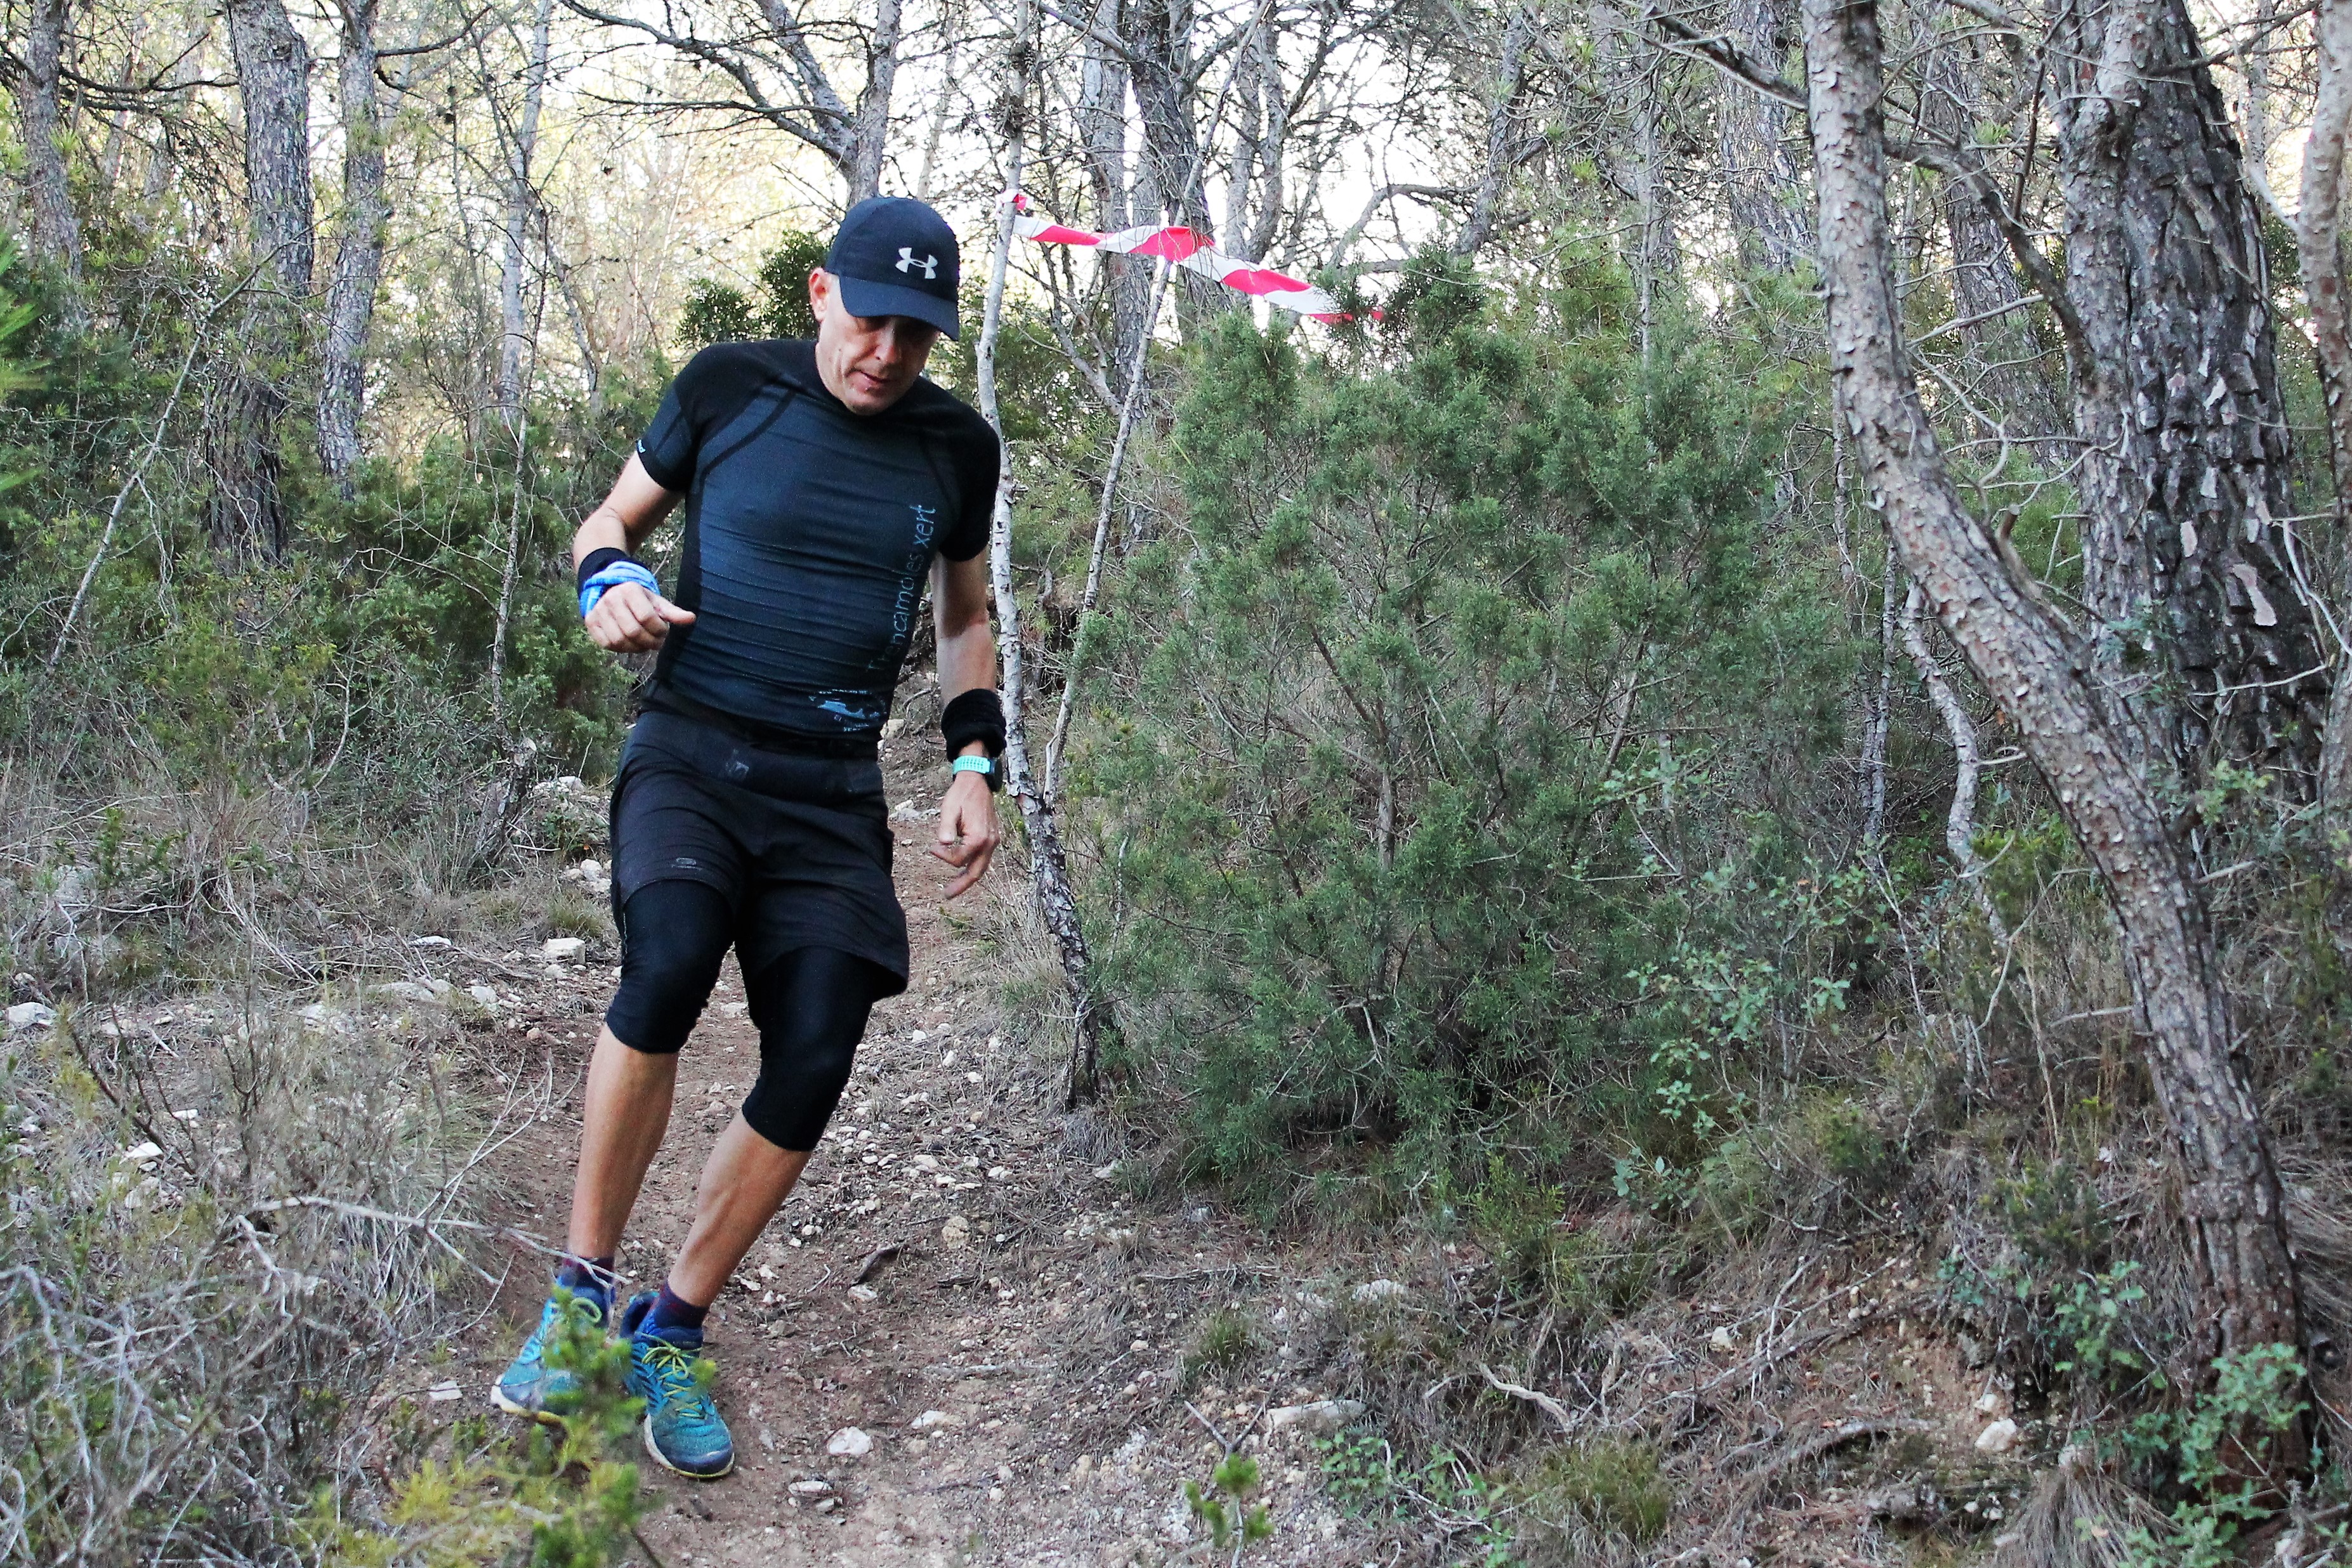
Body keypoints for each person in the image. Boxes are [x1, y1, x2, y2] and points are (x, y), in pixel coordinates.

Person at [490, 196, 1006, 1479]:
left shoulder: (957, 448)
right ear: (822, 295)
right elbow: (609, 522)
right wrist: (607, 581)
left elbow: (963, 617)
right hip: (694, 752)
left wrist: (974, 762)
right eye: (871, 322)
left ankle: (671, 1326)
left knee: (818, 1045)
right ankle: (578, 1296)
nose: (888, 353)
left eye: (918, 336)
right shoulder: (730, 388)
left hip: (827, 790)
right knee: (666, 966)